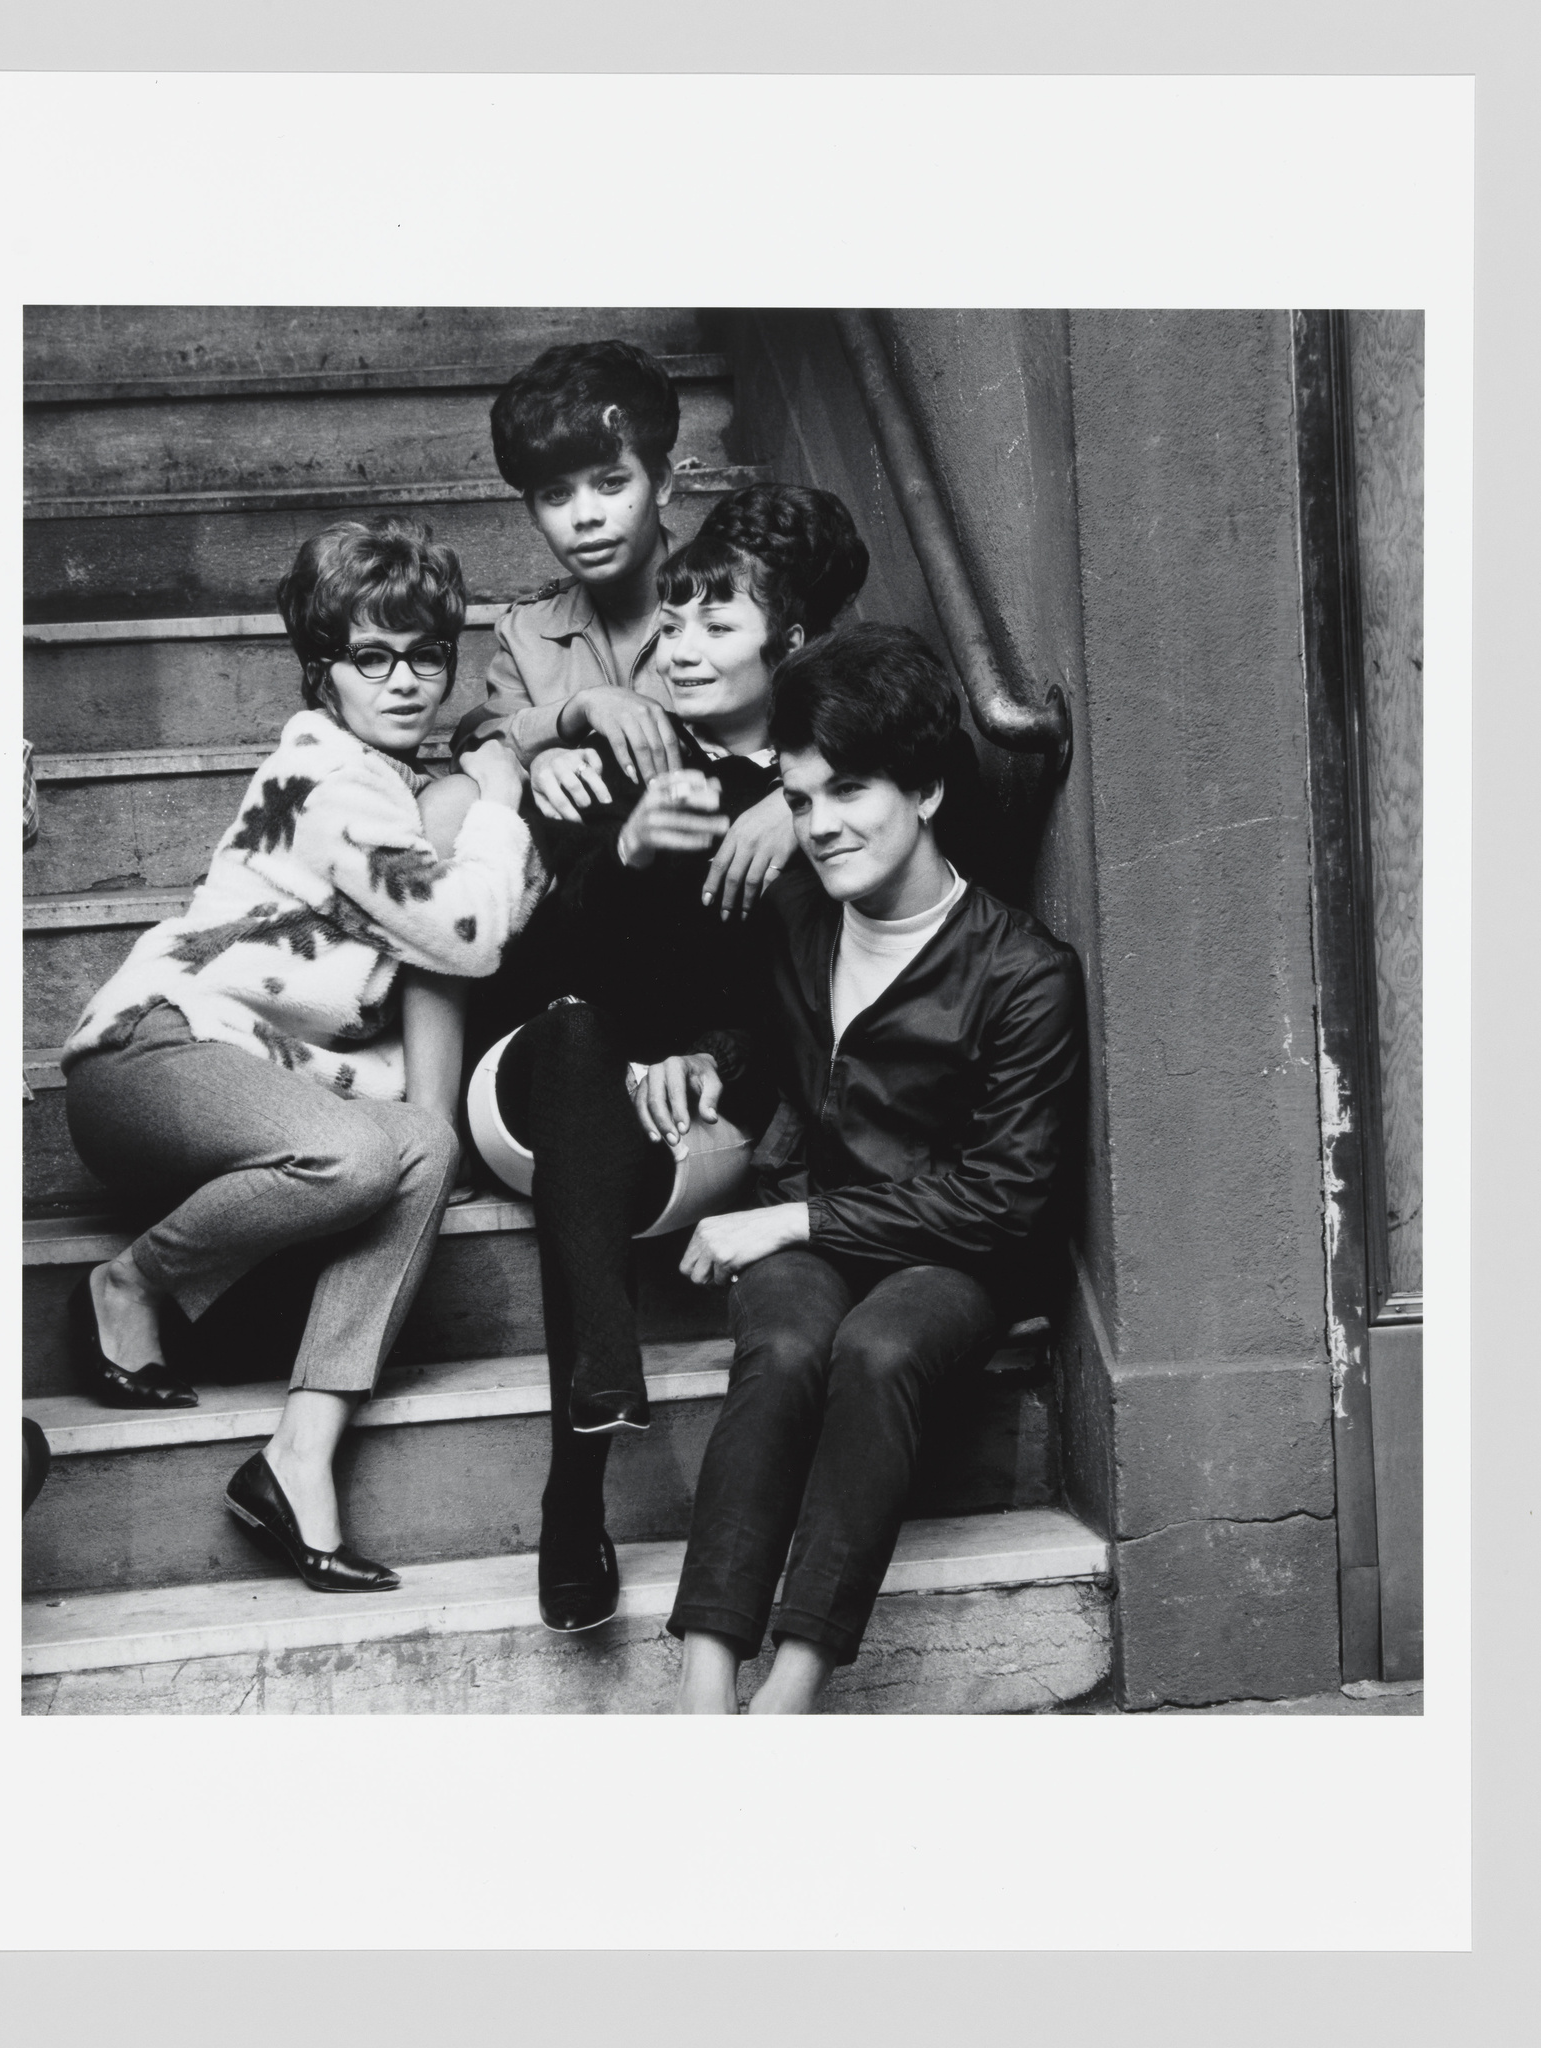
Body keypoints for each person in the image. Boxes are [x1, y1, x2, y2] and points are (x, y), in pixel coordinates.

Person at [60, 517, 543, 1593]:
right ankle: (132, 1281)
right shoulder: (333, 779)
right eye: (373, 656)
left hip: (251, 1077)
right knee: (355, 1156)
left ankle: (300, 1451)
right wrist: (501, 801)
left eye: (428, 653)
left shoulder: (382, 777)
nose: (407, 681)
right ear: (323, 671)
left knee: (421, 1140)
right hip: (151, 1053)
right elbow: (468, 933)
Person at [453, 483, 869, 1633]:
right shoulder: (624, 753)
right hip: (535, 1088)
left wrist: (793, 806)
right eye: (669, 623)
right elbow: (534, 971)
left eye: (709, 626)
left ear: (789, 643)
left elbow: (789, 1008)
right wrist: (625, 851)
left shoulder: (829, 793)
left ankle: (589, 1414)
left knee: (619, 1077)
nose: (675, 650)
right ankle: (578, 1465)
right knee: (582, 1024)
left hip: (682, 1134)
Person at [667, 623, 1085, 1711]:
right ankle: (703, 1690)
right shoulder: (798, 917)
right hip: (814, 1224)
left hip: (950, 1249)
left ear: (927, 789)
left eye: (847, 791)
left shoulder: (1021, 972)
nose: (818, 825)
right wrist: (704, 1063)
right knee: (788, 1335)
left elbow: (1004, 1197)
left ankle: (790, 1689)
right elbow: (764, 1042)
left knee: (879, 1344)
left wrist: (790, 1222)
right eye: (800, 798)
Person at [457, 338, 799, 921]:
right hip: (594, 899)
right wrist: (559, 733)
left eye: (611, 483)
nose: (586, 516)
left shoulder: (738, 598)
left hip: (730, 896)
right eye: (556, 494)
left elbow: (861, 709)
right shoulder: (529, 630)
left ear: (661, 482)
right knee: (456, 800)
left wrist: (794, 806)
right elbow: (480, 735)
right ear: (532, 512)